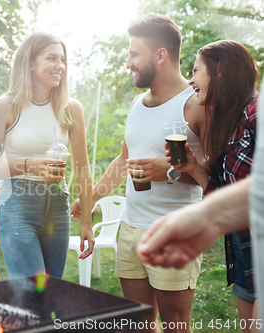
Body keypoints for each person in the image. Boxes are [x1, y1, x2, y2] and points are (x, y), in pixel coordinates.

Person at [71, 14, 206, 332]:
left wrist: (169, 172)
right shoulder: (136, 103)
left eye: (134, 54)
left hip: (174, 232)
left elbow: (212, 173)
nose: (128, 62)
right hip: (130, 229)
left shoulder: (194, 104)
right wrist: (90, 199)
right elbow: (123, 159)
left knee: (174, 324)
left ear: (160, 55)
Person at [0, 31, 94, 280]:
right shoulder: (5, 105)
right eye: (52, 58)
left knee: (52, 291)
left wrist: (87, 222)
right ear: (30, 63)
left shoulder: (72, 108)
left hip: (58, 205)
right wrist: (28, 165)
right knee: (32, 296)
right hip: (18, 204)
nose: (60, 66)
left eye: (62, 60)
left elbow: (83, 167)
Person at [164, 40, 258, 331]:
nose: (190, 79)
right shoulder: (230, 124)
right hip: (244, 252)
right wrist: (191, 167)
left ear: (218, 72)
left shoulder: (256, 115)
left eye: (195, 71)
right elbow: (227, 196)